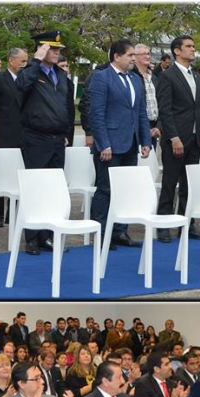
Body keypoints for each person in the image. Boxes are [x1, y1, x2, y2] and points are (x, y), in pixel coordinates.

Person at [88, 39, 152, 248]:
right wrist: (103, 143)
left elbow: (140, 112)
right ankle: (99, 233)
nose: (134, 59)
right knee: (106, 189)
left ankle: (119, 231)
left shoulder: (135, 79)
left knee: (125, 190)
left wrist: (145, 140)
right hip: (110, 145)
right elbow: (96, 114)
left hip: (130, 143)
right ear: (116, 56)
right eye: (130, 55)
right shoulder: (101, 77)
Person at [17, 31, 75, 254]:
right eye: (52, 48)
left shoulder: (61, 75)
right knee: (35, 189)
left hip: (57, 138)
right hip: (36, 137)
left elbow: (67, 107)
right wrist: (35, 62)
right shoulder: (31, 72)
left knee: (53, 190)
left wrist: (67, 132)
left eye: (58, 49)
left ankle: (48, 236)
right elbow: (21, 85)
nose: (57, 52)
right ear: (41, 49)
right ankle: (32, 238)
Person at [155, 34, 200, 241]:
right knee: (170, 183)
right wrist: (173, 137)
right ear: (177, 51)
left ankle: (187, 224)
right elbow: (165, 110)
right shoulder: (168, 76)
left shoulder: (196, 76)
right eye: (188, 46)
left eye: (193, 46)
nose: (193, 49)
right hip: (176, 139)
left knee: (189, 185)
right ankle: (163, 224)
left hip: (195, 139)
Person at [0, 47, 27, 228]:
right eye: (22, 61)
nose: (25, 64)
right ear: (11, 60)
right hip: (4, 134)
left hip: (23, 135)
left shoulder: (26, 80)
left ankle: (14, 213)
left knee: (19, 176)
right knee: (0, 174)